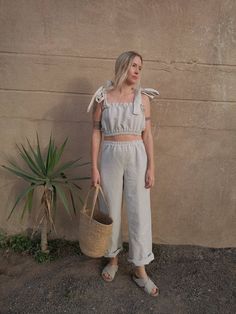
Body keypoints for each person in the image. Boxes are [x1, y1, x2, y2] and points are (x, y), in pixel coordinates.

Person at [87, 51, 159, 297]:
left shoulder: (143, 99)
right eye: (133, 66)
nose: (138, 71)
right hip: (110, 155)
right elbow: (96, 132)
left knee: (139, 209)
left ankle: (140, 269)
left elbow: (147, 135)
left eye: (140, 66)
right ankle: (113, 260)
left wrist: (151, 166)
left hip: (137, 155)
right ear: (122, 67)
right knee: (111, 210)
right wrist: (94, 167)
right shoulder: (103, 98)